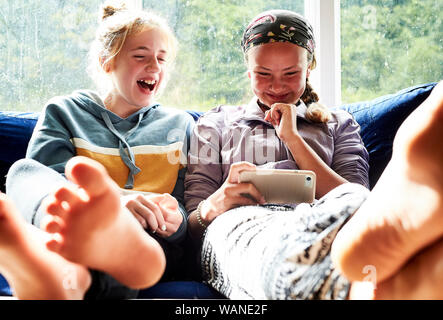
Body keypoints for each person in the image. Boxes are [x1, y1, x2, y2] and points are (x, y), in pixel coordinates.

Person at [184, 9, 443, 299]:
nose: (277, 86)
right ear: (248, 73)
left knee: (354, 203)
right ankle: (378, 274)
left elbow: (353, 191)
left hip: (324, 213)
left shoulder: (338, 123)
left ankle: (369, 275)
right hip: (241, 221)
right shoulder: (215, 124)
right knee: (268, 245)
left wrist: (294, 139)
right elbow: (192, 227)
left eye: (291, 73)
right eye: (263, 74)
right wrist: (217, 203)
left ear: (308, 70)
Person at [0, 1, 194, 299]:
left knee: (126, 247)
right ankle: (63, 268)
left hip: (146, 239)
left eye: (162, 59)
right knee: (22, 171)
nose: (154, 67)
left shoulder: (180, 124)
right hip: (70, 230)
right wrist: (113, 205)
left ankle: (72, 273)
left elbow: (185, 205)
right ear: (107, 62)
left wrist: (176, 221)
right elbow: (46, 179)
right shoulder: (64, 111)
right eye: (141, 56)